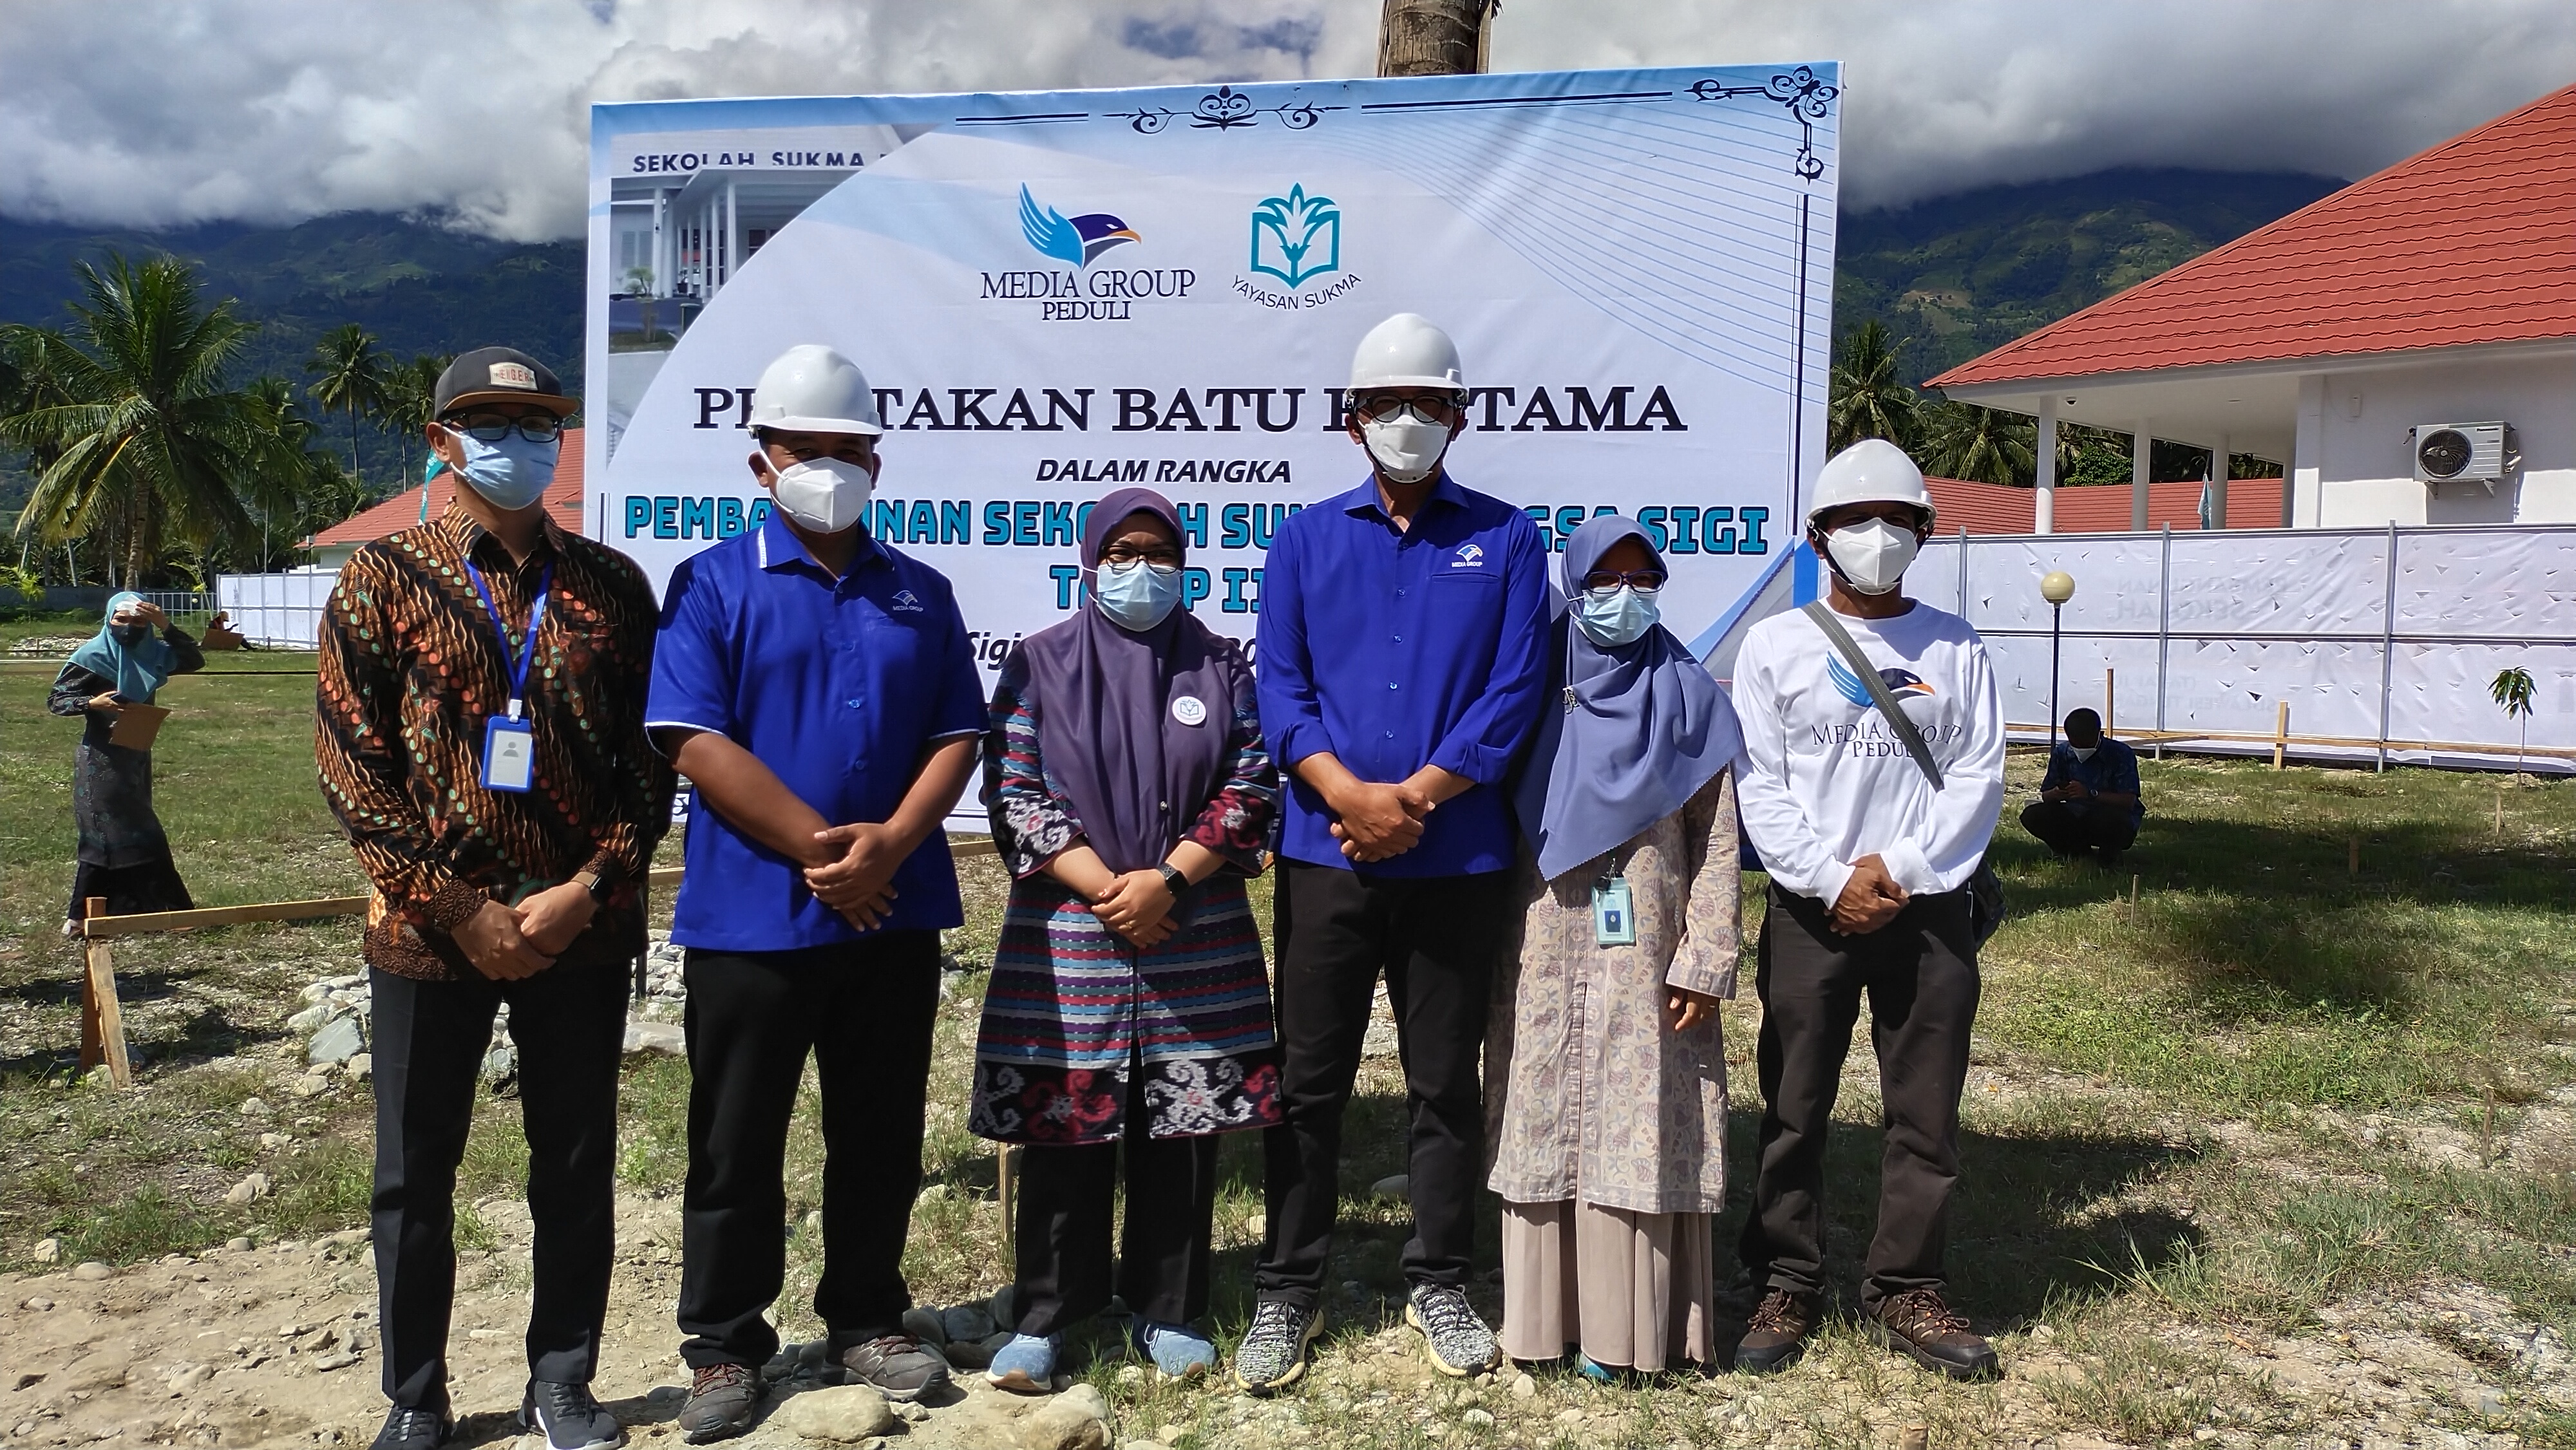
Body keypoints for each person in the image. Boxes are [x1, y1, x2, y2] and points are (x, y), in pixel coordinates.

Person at [316, 348, 672, 1450]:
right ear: (442, 439)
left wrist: (589, 887)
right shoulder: (382, 578)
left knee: (574, 1163)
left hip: (581, 928)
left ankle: (561, 1379)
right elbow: (350, 764)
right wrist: (456, 904)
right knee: (414, 1177)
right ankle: (415, 1395)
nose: (517, 440)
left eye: (537, 422)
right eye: (490, 420)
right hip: (428, 936)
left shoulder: (612, 586)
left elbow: (647, 766)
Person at [646, 344, 985, 1440]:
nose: (829, 467)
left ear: (876, 458)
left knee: (879, 1126)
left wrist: (887, 846)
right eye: (807, 449)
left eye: (849, 450)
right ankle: (723, 1343)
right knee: (736, 1137)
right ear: (763, 460)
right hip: (753, 915)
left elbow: (955, 735)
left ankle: (867, 1316)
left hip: (893, 910)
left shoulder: (919, 592)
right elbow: (694, 739)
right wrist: (823, 849)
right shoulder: (711, 583)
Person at [1238, 313, 1549, 1392]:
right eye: (1385, 403)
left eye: (1428, 403)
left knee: (1442, 1084)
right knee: (1309, 1082)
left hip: (1454, 855)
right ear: (1351, 417)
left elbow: (1512, 696)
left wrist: (1411, 797)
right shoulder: (1305, 538)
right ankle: (1289, 1288)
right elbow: (1279, 687)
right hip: (1328, 856)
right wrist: (1343, 793)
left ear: (1461, 415)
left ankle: (1440, 1278)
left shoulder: (1510, 540)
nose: (1406, 421)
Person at [971, 487, 1283, 1391]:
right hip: (1074, 927)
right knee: (1064, 1127)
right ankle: (1046, 1315)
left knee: (1184, 1133)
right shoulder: (1039, 662)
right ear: (1091, 560)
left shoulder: (1220, 664)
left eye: (1159, 552)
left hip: (1194, 923)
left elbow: (1252, 782)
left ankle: (1168, 1308)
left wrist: (1169, 879)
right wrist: (1110, 889)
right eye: (1123, 551)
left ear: (1184, 564)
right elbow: (1015, 788)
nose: (1141, 569)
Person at [1730, 438, 2005, 1381]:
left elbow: (1978, 776)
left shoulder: (1957, 645)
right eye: (1855, 520)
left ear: (1926, 533)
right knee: (1794, 1107)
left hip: (1929, 913)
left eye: (1898, 520)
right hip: (1814, 913)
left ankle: (1906, 1288)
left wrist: (1903, 869)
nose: (1877, 536)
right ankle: (1785, 1279)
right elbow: (1761, 786)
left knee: (1925, 1115)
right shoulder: (1775, 645)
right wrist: (1830, 878)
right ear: (1818, 535)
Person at [1488, 516, 1743, 1379]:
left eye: (1643, 581)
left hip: (1652, 958)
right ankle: (1541, 1322)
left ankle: (1630, 1333)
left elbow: (1716, 839)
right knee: (1542, 1113)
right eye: (1606, 581)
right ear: (1572, 583)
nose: (1625, 599)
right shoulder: (1525, 685)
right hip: (1543, 948)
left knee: (1646, 1121)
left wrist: (1706, 958)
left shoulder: (1689, 693)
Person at [51, 592, 204, 933]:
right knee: (108, 832)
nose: (130, 628)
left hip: (135, 753)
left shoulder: (154, 655)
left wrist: (166, 625)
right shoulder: (92, 656)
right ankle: (166, 911)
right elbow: (57, 701)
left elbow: (193, 660)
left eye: (139, 621)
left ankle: (111, 914)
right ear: (109, 620)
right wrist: (93, 702)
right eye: (122, 620)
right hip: (100, 760)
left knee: (131, 831)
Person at [2020, 709, 2141, 863]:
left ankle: (2110, 856)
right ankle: (2075, 852)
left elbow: (2128, 801)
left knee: (2112, 820)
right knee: (2033, 815)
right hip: (2073, 815)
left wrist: (2091, 794)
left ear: (2099, 734)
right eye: (2076, 744)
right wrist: (2057, 794)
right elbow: (2046, 794)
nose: (2081, 749)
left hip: (2107, 816)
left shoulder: (2120, 754)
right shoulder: (2062, 753)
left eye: (2086, 744)